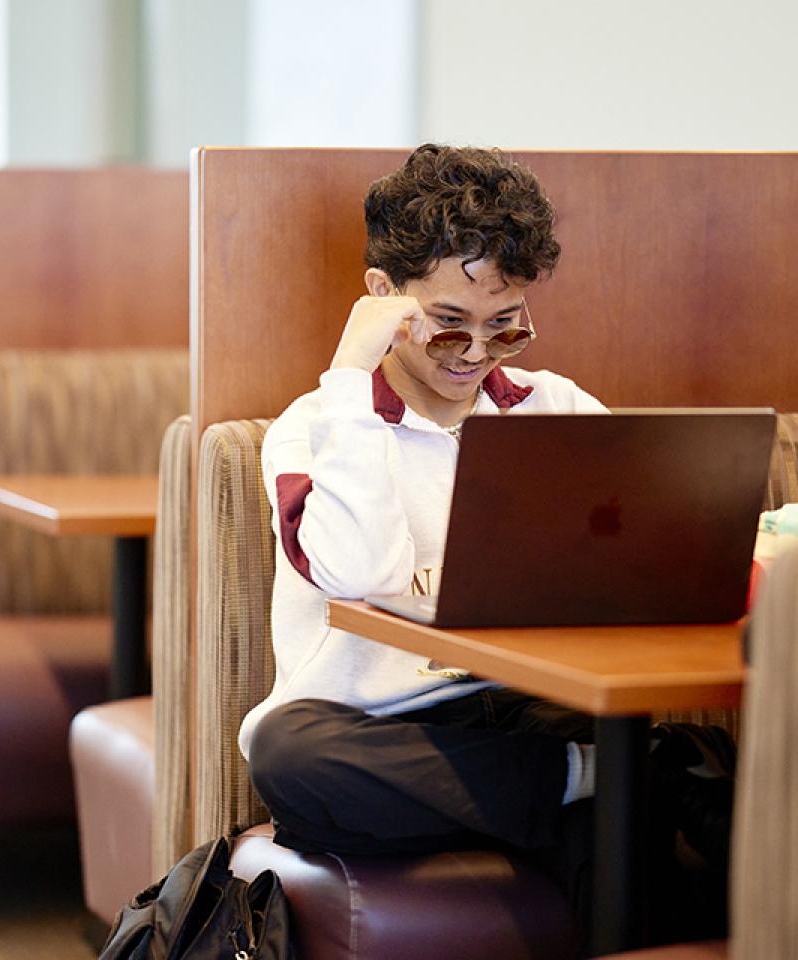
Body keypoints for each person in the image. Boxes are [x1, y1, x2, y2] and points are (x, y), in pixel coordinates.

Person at [239, 143, 734, 945]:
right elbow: (358, 572)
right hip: (381, 728)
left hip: (532, 709)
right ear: (381, 300)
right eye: (446, 328)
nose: (474, 354)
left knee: (615, 834)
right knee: (287, 754)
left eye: (504, 329)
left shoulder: (553, 409)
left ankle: (599, 782)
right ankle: (620, 776)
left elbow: (647, 549)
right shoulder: (313, 430)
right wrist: (350, 374)